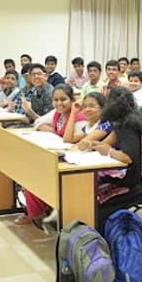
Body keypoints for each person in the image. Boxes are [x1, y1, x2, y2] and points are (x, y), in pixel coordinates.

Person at [90, 87, 142, 231]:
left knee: (96, 207)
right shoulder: (125, 121)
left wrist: (109, 151)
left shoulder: (128, 125)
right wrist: (92, 144)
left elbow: (128, 158)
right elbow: (106, 143)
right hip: (138, 178)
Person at [19, 84, 86, 227]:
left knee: (39, 176)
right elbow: (38, 122)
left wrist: (57, 134)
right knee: (28, 171)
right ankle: (37, 212)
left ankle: (38, 213)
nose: (59, 103)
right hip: (55, 152)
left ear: (72, 100)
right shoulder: (57, 113)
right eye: (55, 100)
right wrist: (55, 133)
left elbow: (75, 142)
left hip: (73, 160)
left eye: (63, 99)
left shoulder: (80, 117)